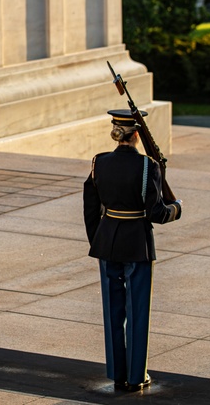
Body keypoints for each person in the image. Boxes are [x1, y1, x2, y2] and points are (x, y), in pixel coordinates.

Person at [82, 109, 183, 392]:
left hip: (108, 244)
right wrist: (176, 209)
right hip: (137, 244)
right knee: (137, 312)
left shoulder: (98, 162)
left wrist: (98, 240)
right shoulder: (148, 167)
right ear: (137, 135)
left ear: (116, 133)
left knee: (112, 311)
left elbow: (91, 208)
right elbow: (156, 213)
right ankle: (137, 376)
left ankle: (117, 374)